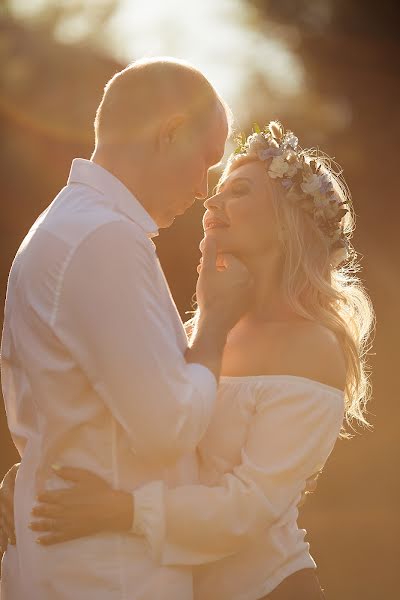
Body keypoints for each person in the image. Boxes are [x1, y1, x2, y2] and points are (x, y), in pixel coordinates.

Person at [0, 121, 374, 599]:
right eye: (215, 192)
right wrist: (34, 477)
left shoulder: (313, 346)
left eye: (237, 191)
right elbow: (126, 423)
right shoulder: (203, 331)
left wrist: (125, 511)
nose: (211, 203)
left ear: (286, 221)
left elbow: (250, 506)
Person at [0, 57, 254, 600]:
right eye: (206, 160)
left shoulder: (69, 226)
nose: (206, 189)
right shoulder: (102, 239)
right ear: (170, 133)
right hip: (109, 577)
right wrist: (214, 323)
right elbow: (167, 427)